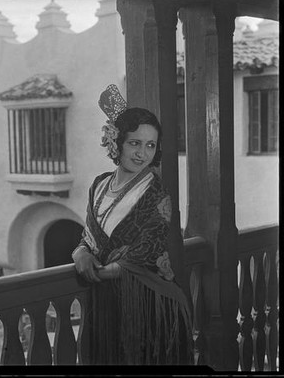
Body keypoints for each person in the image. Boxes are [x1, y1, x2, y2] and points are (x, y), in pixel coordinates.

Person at [72, 84, 193, 365]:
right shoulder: (99, 185)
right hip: (104, 302)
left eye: (150, 145)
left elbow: (142, 255)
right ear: (117, 142)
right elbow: (88, 236)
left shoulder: (157, 195)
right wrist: (80, 253)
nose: (142, 153)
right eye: (134, 143)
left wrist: (95, 274)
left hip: (146, 304)